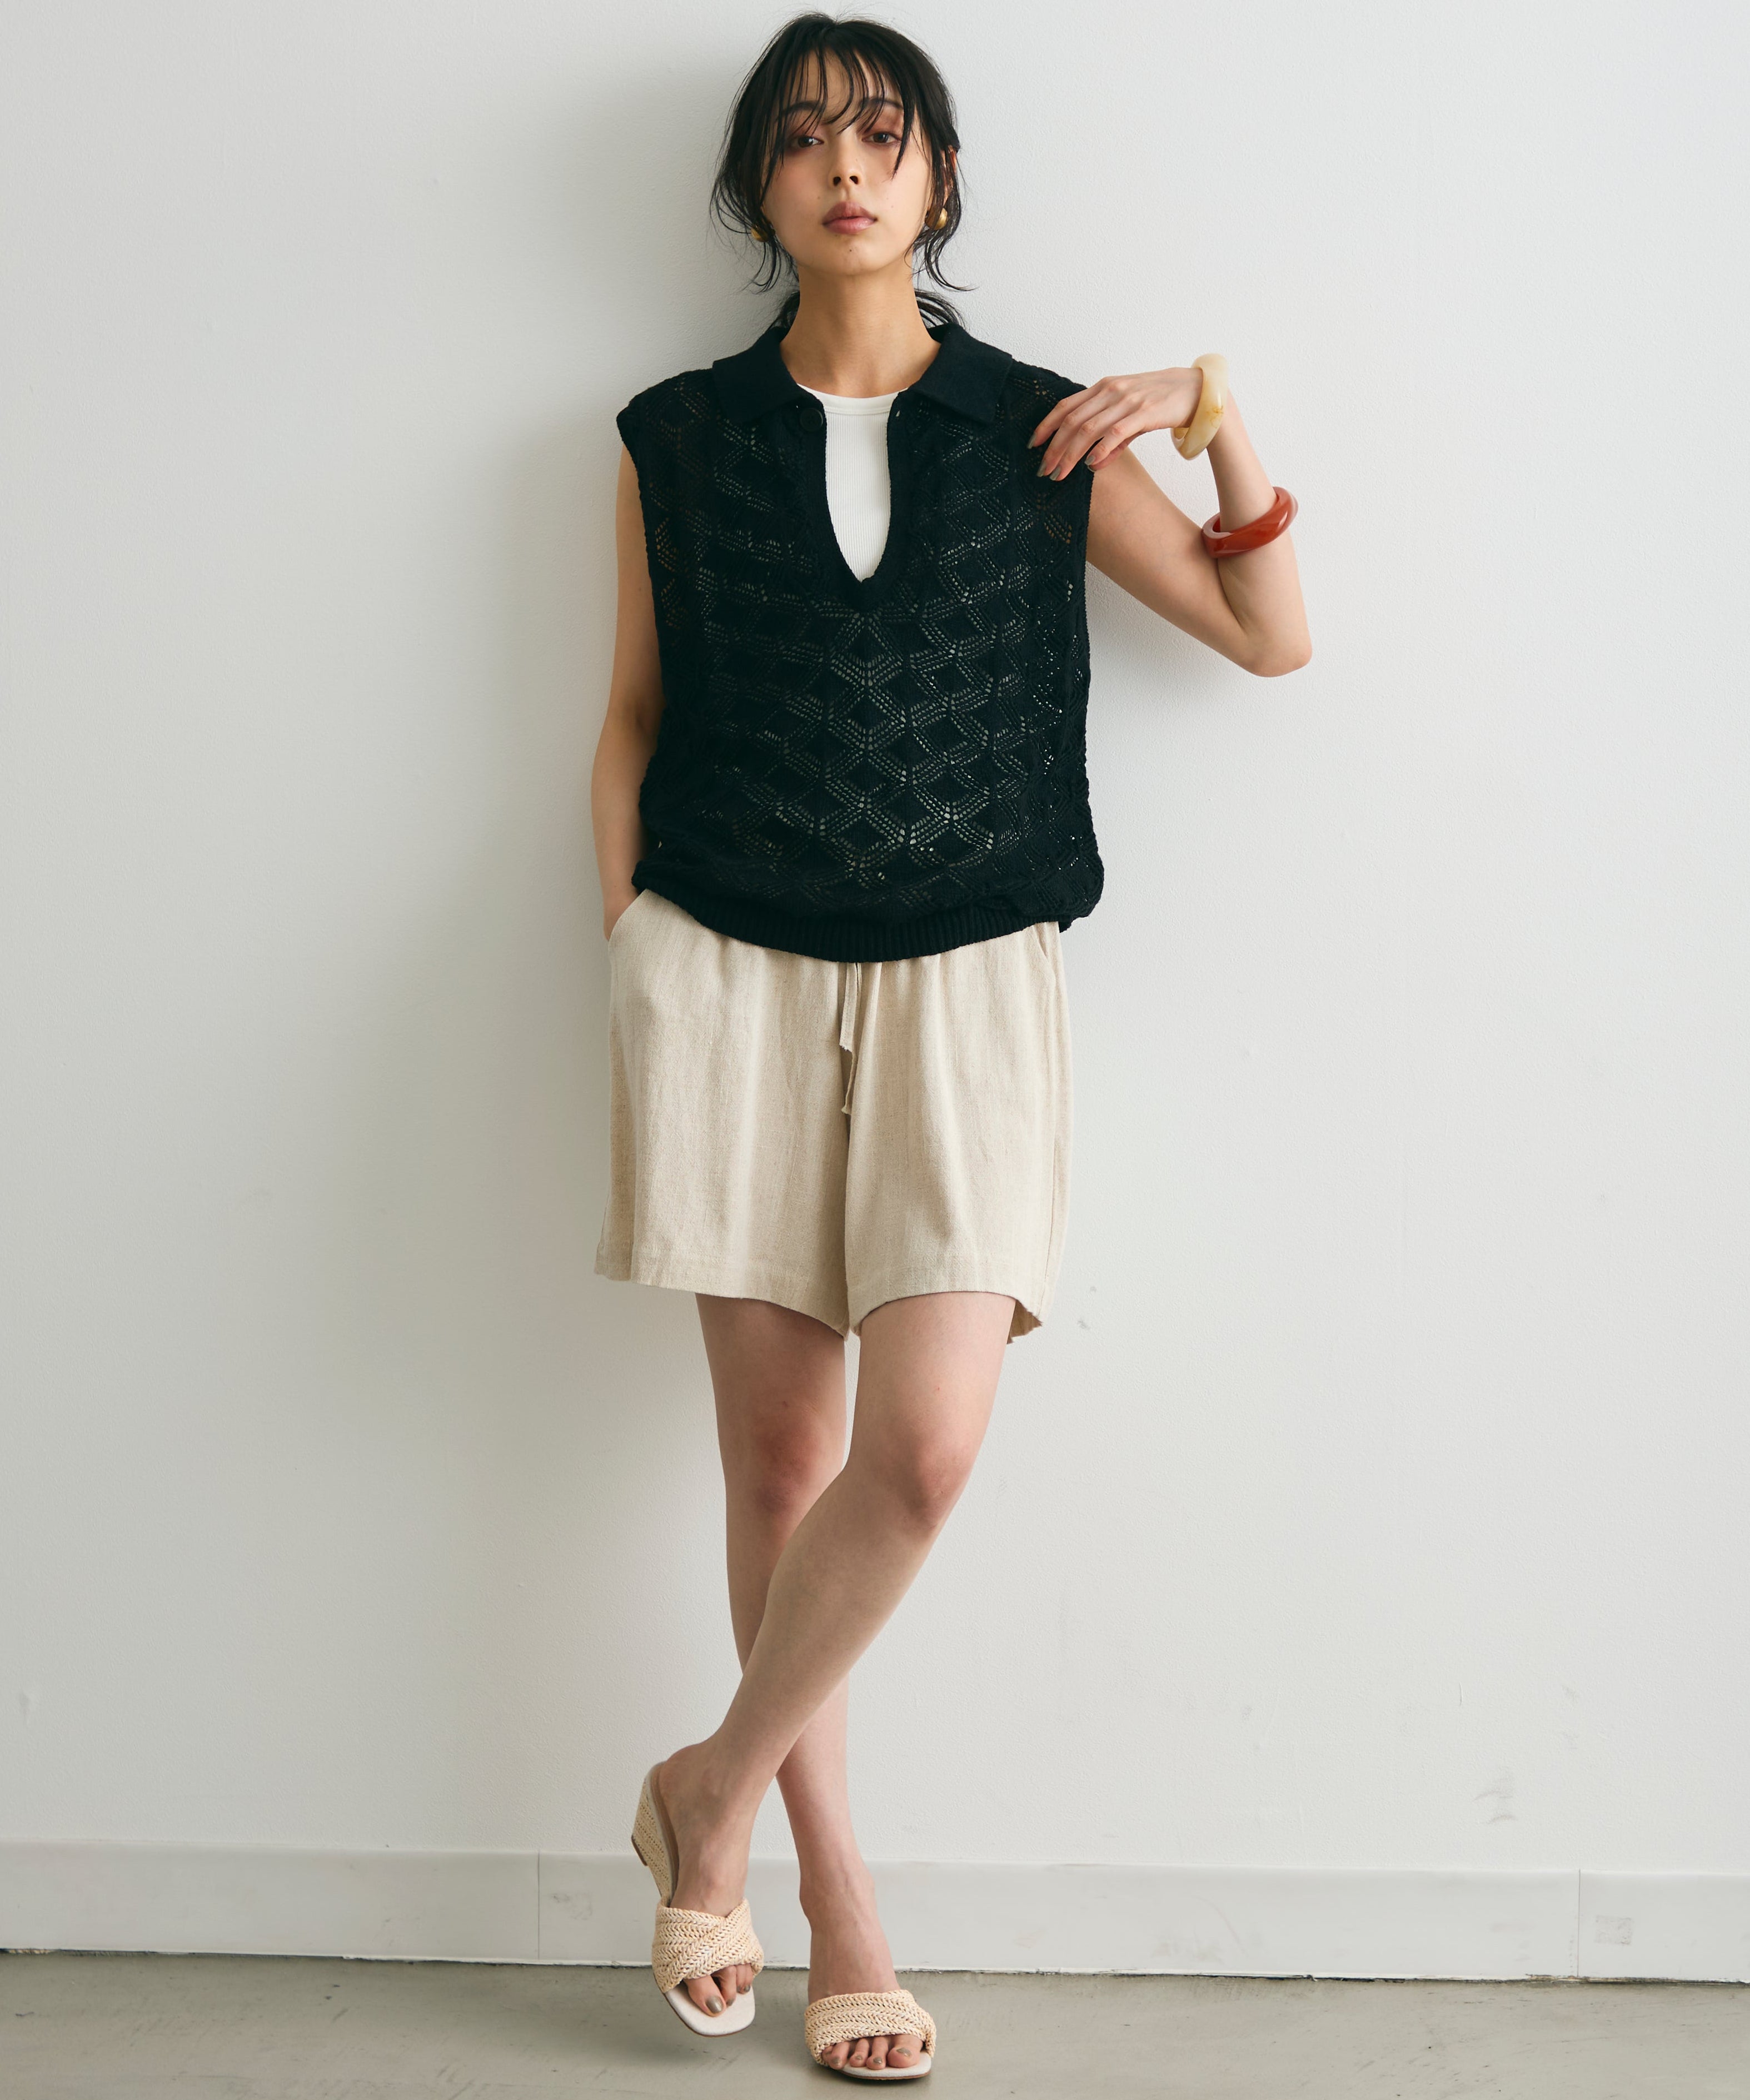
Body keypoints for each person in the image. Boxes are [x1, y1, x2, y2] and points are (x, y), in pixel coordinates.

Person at [591, 12, 1310, 2080]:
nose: (849, 166)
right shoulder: (674, 440)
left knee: (917, 1455)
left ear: (942, 180)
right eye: (806, 138)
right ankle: (839, 1908)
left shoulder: (1037, 430)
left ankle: (704, 1788)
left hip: (973, 979)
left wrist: (1216, 415)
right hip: (725, 967)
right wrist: (632, 941)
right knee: (778, 1465)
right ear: (758, 188)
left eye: (885, 135)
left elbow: (1269, 637)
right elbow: (629, 719)